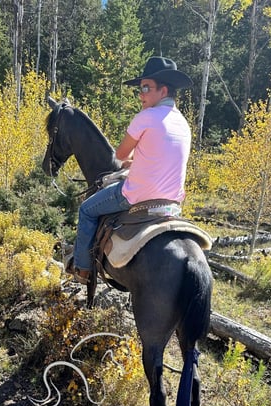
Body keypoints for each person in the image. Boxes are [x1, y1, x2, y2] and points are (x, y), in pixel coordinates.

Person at [69, 56, 193, 284]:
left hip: (136, 196)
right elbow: (162, 156)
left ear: (163, 90)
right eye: (140, 88)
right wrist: (137, 161)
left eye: (146, 88)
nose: (141, 94)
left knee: (86, 210)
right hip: (171, 202)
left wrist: (129, 160)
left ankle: (82, 270)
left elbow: (120, 155)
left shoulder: (145, 117)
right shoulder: (184, 124)